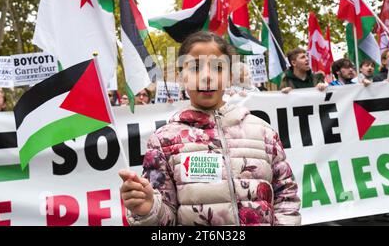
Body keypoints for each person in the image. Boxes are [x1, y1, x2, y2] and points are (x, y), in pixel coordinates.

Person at [119, 31, 301, 226]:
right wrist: (148, 209)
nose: (207, 76)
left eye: (217, 68)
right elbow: (166, 219)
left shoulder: (264, 132)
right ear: (181, 77)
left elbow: (285, 196)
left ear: (230, 76)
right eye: (195, 68)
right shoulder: (162, 141)